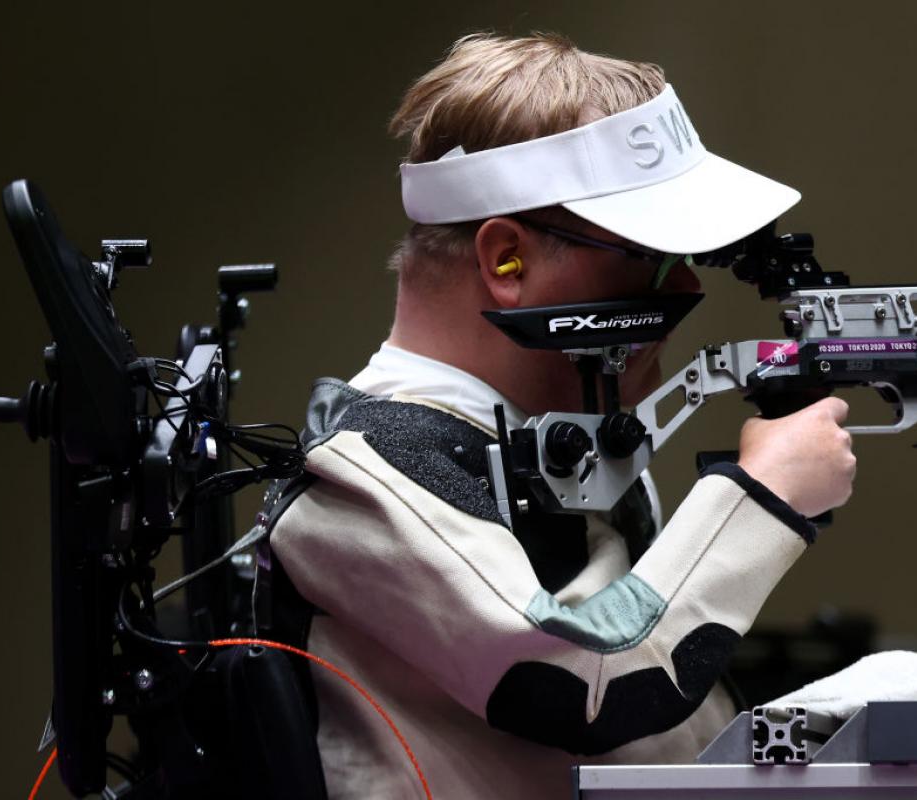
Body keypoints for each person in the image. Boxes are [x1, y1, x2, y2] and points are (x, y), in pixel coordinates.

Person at [268, 32, 856, 800]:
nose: (682, 292)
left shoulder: (569, 448)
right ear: (507, 260)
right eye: (649, 255)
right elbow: (589, 685)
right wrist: (762, 497)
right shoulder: (367, 471)